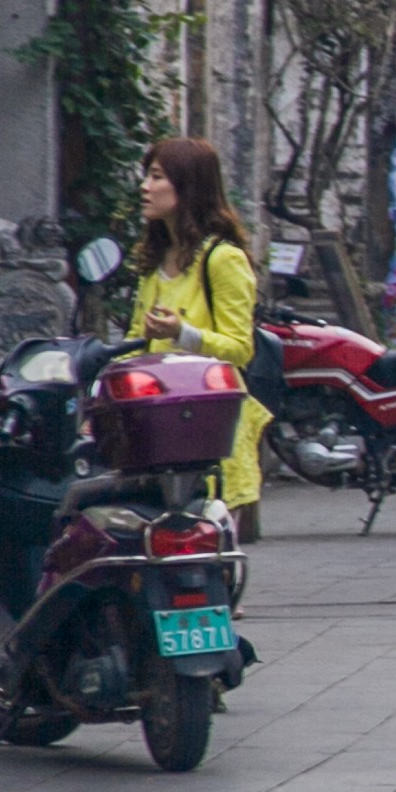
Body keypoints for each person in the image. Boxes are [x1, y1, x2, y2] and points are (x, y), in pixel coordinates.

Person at [128, 138, 267, 533]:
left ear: (187, 186)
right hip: (158, 429)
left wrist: (182, 333)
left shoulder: (222, 259)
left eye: (156, 177)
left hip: (209, 430)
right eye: (147, 176)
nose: (145, 187)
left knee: (207, 560)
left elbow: (240, 348)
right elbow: (135, 341)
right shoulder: (155, 262)